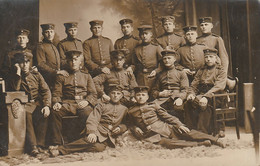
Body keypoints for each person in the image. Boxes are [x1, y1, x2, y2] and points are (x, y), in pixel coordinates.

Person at [128, 86, 225, 149]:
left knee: (188, 132)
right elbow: (131, 124)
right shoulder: (131, 110)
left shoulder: (154, 105)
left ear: (147, 97)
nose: (140, 97)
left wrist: (179, 125)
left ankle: (215, 140)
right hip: (152, 135)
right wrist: (135, 128)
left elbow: (167, 117)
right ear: (135, 97)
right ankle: (200, 144)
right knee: (168, 143)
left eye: (143, 95)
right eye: (138, 95)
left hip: (165, 128)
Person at [49, 84, 128, 157]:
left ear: (121, 96)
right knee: (90, 141)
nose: (115, 96)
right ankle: (61, 150)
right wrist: (92, 132)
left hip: (109, 135)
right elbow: (93, 119)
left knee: (98, 148)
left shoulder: (124, 109)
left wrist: (120, 128)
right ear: (109, 94)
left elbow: (126, 124)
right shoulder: (102, 105)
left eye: (118, 94)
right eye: (113, 93)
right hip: (98, 130)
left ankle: (70, 149)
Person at [50, 50, 97, 147]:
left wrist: (87, 101)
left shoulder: (86, 76)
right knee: (55, 112)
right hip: (68, 103)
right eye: (71, 60)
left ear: (80, 62)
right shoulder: (62, 76)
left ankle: (84, 140)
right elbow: (56, 93)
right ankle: (56, 142)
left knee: (88, 112)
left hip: (82, 103)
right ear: (67, 62)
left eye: (76, 60)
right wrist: (57, 102)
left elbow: (93, 93)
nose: (73, 62)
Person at [9, 52, 51, 156]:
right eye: (22, 63)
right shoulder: (15, 76)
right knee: (26, 115)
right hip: (25, 105)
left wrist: (46, 105)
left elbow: (46, 90)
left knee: (44, 113)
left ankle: (41, 145)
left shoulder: (36, 74)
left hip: (37, 103)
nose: (25, 65)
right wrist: (18, 72)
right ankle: (33, 146)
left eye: (27, 62)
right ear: (18, 64)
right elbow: (16, 89)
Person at [185, 48, 226, 136]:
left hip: (217, 95)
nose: (208, 59)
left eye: (211, 57)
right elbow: (194, 85)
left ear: (216, 58)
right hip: (202, 94)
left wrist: (206, 97)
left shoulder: (221, 70)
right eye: (206, 57)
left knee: (203, 104)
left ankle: (202, 132)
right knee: (188, 103)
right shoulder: (201, 70)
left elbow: (219, 86)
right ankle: (190, 130)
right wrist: (191, 93)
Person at [151, 49, 188, 121]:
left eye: (169, 58)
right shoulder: (160, 73)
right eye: (164, 58)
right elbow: (154, 90)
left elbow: (185, 89)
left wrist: (180, 98)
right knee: (152, 108)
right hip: (162, 99)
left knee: (177, 109)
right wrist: (160, 93)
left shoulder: (181, 72)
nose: (167, 60)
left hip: (176, 97)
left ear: (174, 59)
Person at [36, 23, 69, 90]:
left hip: (56, 79)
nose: (49, 34)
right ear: (43, 34)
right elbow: (41, 64)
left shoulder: (54, 46)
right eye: (47, 32)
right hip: (47, 79)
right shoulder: (40, 46)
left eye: (51, 32)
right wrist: (56, 72)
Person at [132, 25, 163, 90]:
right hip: (140, 77)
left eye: (146, 33)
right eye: (142, 34)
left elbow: (163, 63)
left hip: (153, 77)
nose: (144, 36)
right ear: (140, 36)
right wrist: (130, 68)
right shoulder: (136, 49)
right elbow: (134, 64)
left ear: (151, 34)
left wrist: (156, 71)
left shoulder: (156, 47)